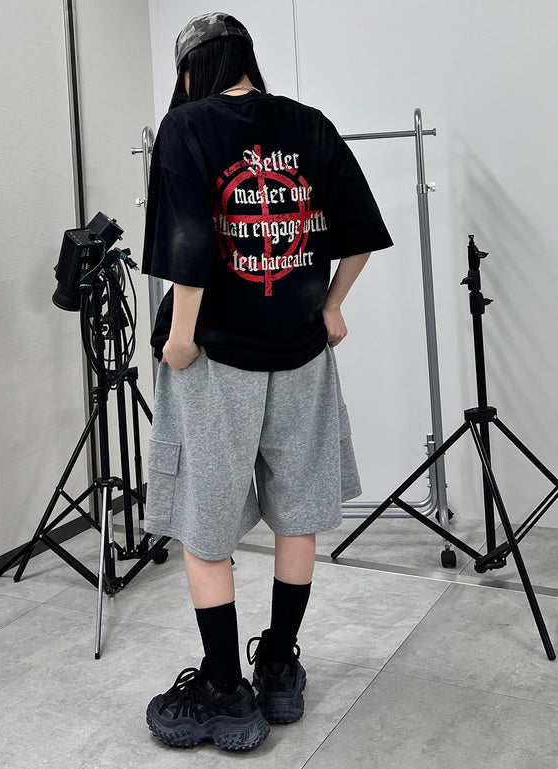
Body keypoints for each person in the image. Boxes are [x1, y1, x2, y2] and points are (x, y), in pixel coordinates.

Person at [141, 12, 393, 752]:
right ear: (246, 58)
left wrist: (180, 338)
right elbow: (362, 228)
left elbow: (189, 243)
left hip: (215, 355)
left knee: (205, 521)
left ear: (193, 69)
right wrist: (332, 305)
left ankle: (226, 694)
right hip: (300, 352)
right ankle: (279, 668)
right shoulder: (308, 124)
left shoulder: (186, 126)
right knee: (296, 510)